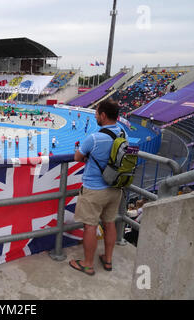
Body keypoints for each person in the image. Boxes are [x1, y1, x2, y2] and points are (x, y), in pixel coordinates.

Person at [69, 99, 125, 276]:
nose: (95, 117)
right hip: (116, 188)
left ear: (103, 115)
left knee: (90, 227)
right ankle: (107, 260)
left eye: (96, 114)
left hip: (94, 189)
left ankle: (87, 264)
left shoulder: (94, 138)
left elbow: (78, 157)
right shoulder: (124, 134)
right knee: (109, 223)